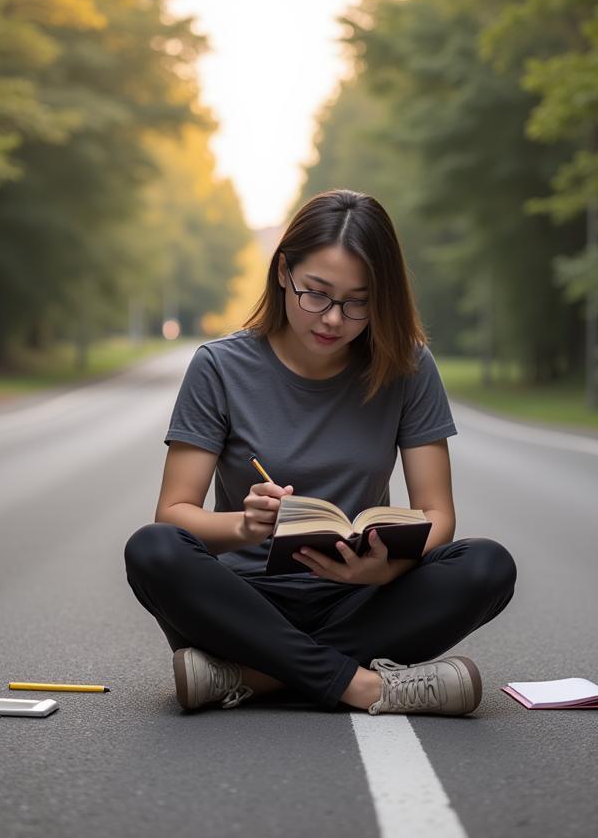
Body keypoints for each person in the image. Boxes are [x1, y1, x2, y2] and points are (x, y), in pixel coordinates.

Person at [124, 189, 516, 716]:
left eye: (358, 302)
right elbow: (174, 514)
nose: (333, 318)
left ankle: (255, 677)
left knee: (487, 565)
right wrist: (244, 526)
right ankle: (365, 685)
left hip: (363, 600)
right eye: (317, 294)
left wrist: (385, 572)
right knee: (154, 550)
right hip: (242, 606)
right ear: (284, 271)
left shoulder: (408, 368)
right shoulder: (219, 367)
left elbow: (437, 514)